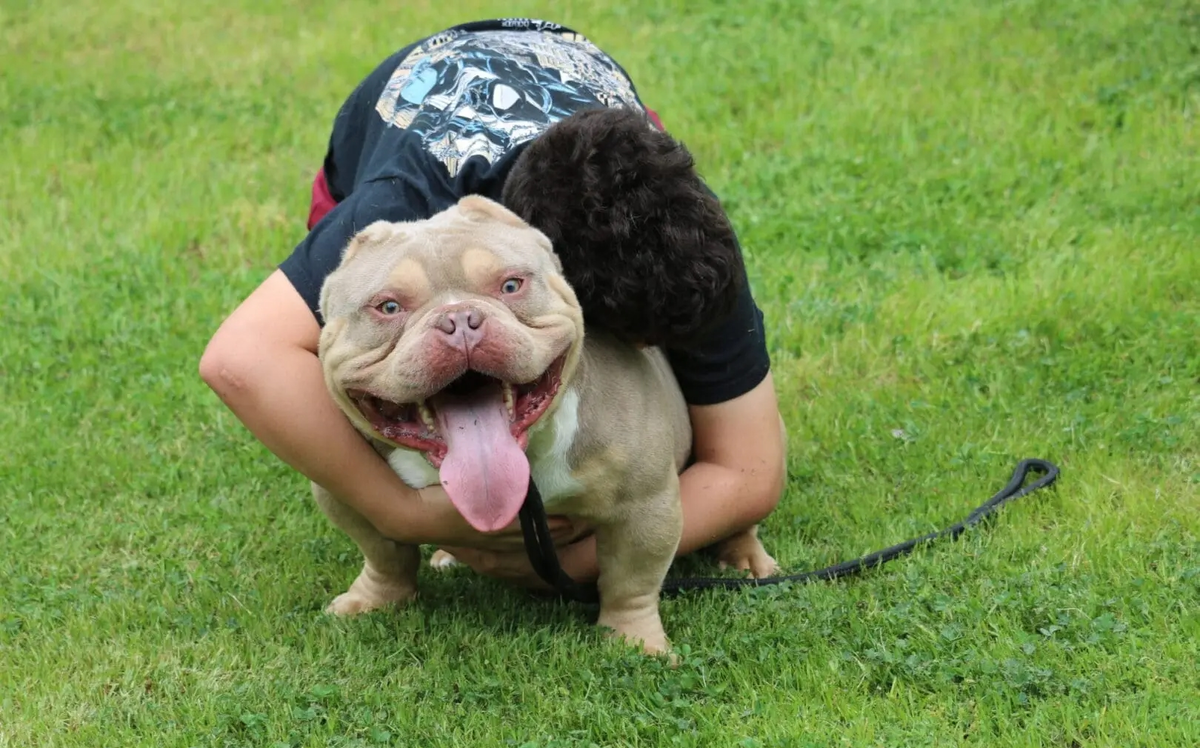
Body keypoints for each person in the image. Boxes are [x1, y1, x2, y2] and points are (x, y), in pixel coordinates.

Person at [199, 18, 786, 588]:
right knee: (367, 358)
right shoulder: (396, 203)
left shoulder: (682, 226)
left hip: (563, 73)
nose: (636, 352)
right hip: (413, 108)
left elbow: (751, 473)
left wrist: (571, 564)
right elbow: (242, 359)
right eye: (626, 337)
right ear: (540, 266)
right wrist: (401, 513)